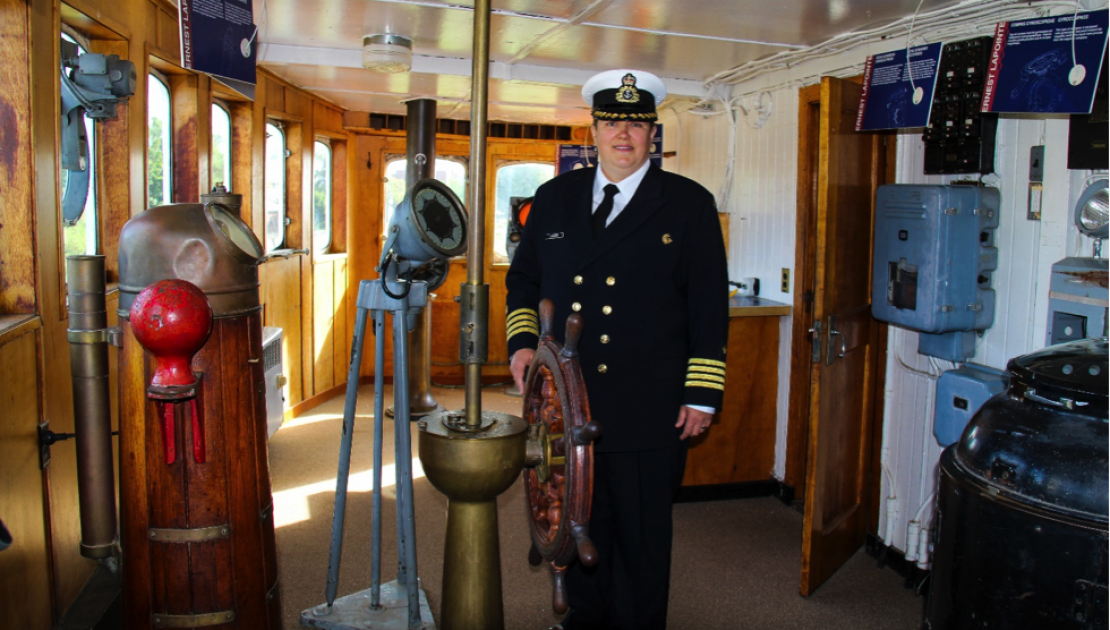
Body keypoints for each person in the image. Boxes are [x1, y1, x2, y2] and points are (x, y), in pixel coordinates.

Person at [505, 69, 730, 630]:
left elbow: (708, 307)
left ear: (652, 133)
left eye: (636, 123)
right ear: (593, 130)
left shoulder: (687, 204)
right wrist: (522, 343)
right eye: (612, 122)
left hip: (647, 404)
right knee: (576, 524)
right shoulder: (553, 200)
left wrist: (702, 392)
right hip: (565, 404)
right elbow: (524, 281)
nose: (623, 134)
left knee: (641, 538)